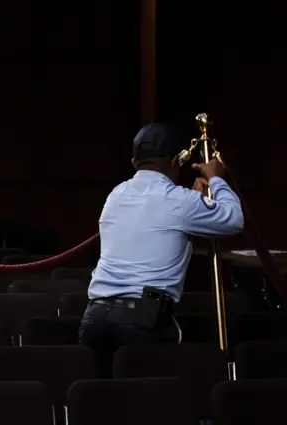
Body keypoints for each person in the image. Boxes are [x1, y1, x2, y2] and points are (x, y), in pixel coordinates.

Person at [78, 122, 244, 373]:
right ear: (175, 161)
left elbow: (157, 220)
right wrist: (216, 179)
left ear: (135, 162)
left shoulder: (116, 195)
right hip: (142, 322)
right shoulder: (179, 201)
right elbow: (233, 219)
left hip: (95, 319)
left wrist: (193, 199)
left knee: (106, 402)